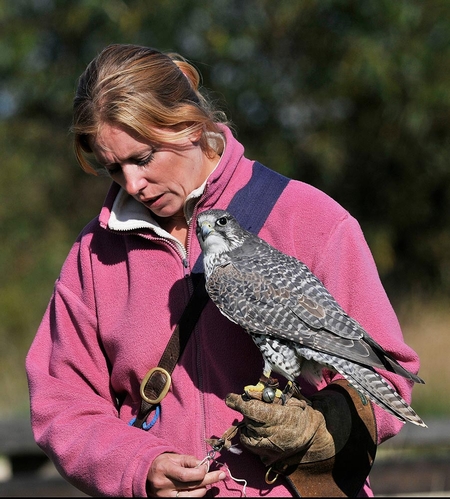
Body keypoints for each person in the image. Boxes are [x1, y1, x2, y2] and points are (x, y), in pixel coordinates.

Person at [26, 43, 422, 497]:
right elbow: (62, 404)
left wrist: (318, 427)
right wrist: (138, 465)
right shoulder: (95, 254)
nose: (133, 184)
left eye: (144, 158)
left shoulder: (305, 218)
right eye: (113, 169)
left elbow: (389, 376)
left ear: (190, 126)